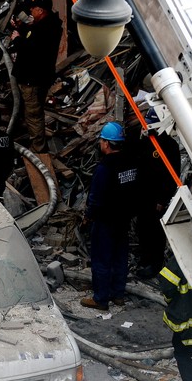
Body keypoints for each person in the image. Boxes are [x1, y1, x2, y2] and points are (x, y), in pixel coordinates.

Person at [81, 121, 138, 311]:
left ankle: (101, 299)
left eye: (102, 141)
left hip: (105, 220)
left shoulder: (104, 168)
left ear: (107, 143)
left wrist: (88, 217)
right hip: (124, 218)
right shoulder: (130, 161)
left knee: (101, 259)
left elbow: (95, 198)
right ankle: (118, 294)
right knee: (119, 257)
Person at [9, 0, 62, 153]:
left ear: (41, 10)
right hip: (39, 76)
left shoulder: (45, 30)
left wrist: (17, 39)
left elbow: (33, 49)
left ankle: (38, 149)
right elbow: (33, 37)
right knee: (34, 112)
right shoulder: (48, 26)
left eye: (33, 9)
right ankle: (34, 139)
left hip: (32, 78)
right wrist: (22, 29)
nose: (31, 12)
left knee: (33, 114)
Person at [133, 111, 181, 279]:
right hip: (143, 196)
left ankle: (155, 264)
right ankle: (145, 259)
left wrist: (163, 199)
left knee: (155, 233)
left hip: (156, 200)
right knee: (143, 229)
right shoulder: (146, 142)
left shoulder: (169, 146)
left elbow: (173, 176)